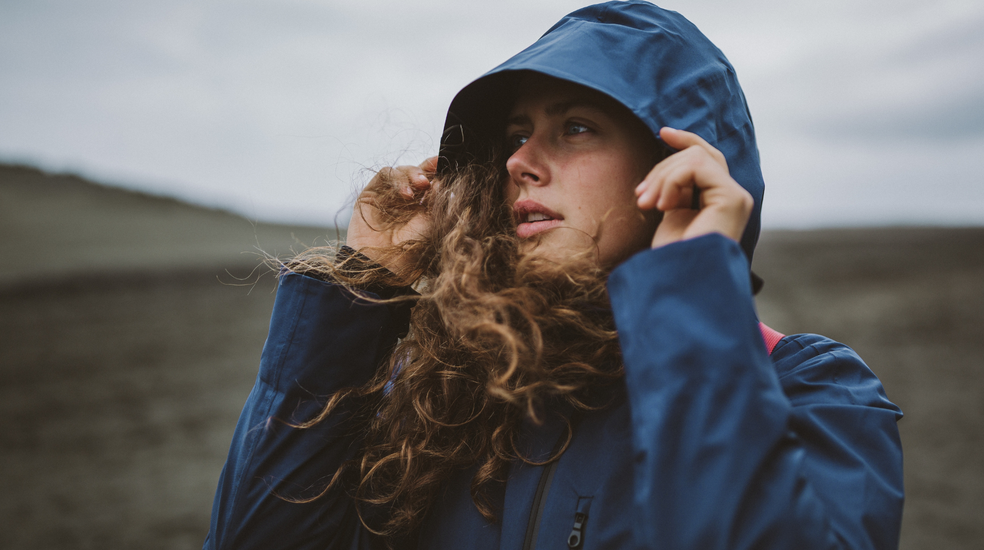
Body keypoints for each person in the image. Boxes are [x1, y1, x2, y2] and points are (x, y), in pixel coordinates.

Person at [204, 1, 904, 549]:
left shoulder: (808, 391)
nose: (520, 161)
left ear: (680, 161)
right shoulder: (438, 394)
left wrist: (689, 292)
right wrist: (359, 292)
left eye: (575, 127)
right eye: (514, 135)